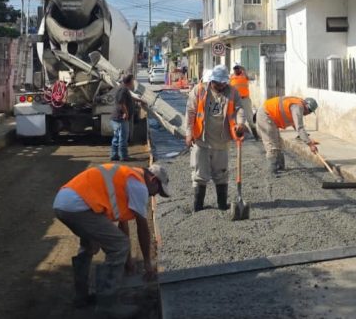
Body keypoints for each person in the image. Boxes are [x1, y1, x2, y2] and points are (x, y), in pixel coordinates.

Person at [53, 163, 170, 312]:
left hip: (64, 203)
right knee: (120, 245)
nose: (153, 195)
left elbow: (123, 224)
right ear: (153, 180)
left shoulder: (127, 176)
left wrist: (128, 262)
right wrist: (147, 262)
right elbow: (142, 228)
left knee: (91, 244)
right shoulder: (139, 186)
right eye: (156, 192)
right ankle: (107, 305)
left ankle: (81, 297)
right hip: (78, 206)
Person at [184, 65, 247, 212]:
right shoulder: (199, 90)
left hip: (222, 140)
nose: (220, 86)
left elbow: (239, 109)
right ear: (211, 80)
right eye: (217, 83)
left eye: (223, 83)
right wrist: (188, 133)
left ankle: (222, 205)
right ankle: (198, 206)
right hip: (202, 140)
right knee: (200, 174)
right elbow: (190, 113)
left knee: (222, 173)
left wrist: (240, 123)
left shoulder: (232, 92)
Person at [255, 96, 319, 174]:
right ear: (306, 105)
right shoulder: (298, 107)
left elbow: (296, 125)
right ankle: (272, 171)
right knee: (271, 144)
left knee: (278, 142)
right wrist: (310, 145)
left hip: (270, 116)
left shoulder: (298, 105)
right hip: (265, 115)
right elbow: (300, 128)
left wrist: (308, 140)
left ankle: (280, 167)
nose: (308, 113)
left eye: (310, 112)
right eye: (309, 111)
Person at [110, 74, 135, 161]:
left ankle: (114, 155)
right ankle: (123, 156)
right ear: (129, 81)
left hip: (116, 117)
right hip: (121, 118)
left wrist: (140, 100)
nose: (133, 82)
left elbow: (126, 99)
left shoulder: (121, 88)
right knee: (123, 138)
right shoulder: (123, 89)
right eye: (132, 81)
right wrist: (126, 113)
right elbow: (121, 102)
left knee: (117, 137)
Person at [229, 65, 257, 138]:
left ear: (240, 69)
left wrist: (244, 70)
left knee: (250, 118)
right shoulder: (231, 77)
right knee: (235, 119)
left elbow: (252, 77)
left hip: (245, 100)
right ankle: (236, 136)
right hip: (235, 101)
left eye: (238, 68)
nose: (236, 70)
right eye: (235, 68)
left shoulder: (245, 75)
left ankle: (256, 136)